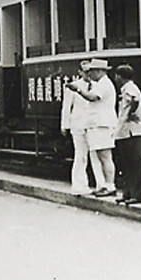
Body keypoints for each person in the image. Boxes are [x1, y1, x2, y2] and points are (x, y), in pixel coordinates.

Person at [66, 58, 118, 197]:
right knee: (101, 156)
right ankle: (104, 185)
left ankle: (110, 185)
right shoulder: (99, 83)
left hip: (102, 124)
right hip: (96, 124)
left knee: (105, 156)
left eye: (92, 71)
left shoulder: (103, 84)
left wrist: (78, 90)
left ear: (99, 71)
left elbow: (93, 98)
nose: (90, 74)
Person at [113, 64, 141, 205]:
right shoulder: (127, 88)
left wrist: (132, 113)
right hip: (126, 131)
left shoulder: (130, 88)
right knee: (127, 164)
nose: (115, 78)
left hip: (132, 131)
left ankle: (138, 194)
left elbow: (135, 100)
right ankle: (128, 192)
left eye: (116, 75)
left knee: (134, 164)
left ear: (120, 76)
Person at [61, 60, 92, 195]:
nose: (88, 74)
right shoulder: (74, 87)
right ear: (80, 72)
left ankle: (93, 184)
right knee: (81, 155)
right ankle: (78, 185)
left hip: (92, 124)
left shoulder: (95, 85)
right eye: (85, 72)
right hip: (78, 124)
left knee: (94, 156)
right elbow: (66, 107)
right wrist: (65, 125)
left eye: (90, 71)